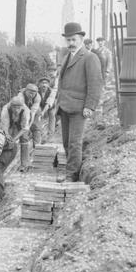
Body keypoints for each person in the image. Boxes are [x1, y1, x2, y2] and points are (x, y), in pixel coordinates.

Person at [56, 22, 103, 182]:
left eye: (73, 40)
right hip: (64, 107)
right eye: (68, 40)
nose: (70, 43)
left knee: (74, 143)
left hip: (79, 108)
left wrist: (90, 106)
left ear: (81, 39)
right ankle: (72, 171)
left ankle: (71, 175)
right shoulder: (67, 56)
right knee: (66, 142)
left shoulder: (90, 57)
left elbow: (95, 83)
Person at [0, 95, 33, 170]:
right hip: (10, 123)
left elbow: (24, 128)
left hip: (21, 124)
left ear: (22, 107)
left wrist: (15, 138)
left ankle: (24, 164)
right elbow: (5, 126)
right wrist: (8, 136)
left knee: (24, 139)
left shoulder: (26, 111)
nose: (16, 110)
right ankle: (3, 162)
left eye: (18, 108)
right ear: (11, 107)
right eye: (14, 107)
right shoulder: (5, 110)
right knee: (6, 140)